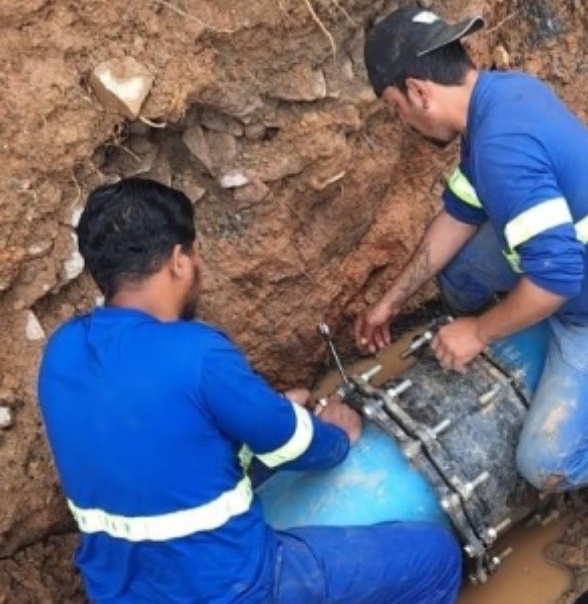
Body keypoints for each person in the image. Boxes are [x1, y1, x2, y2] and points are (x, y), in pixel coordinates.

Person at [37, 179, 462, 603]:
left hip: (121, 591)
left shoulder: (62, 351)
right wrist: (334, 435)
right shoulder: (197, 352)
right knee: (436, 559)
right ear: (178, 260)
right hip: (234, 588)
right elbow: (300, 447)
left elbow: (169, 449)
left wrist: (271, 412)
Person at [355, 6, 588, 531]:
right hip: (581, 254)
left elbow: (557, 279)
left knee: (545, 462)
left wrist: (478, 332)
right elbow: (460, 213)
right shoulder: (499, 98)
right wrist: (391, 299)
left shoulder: (502, 148)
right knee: (458, 274)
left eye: (396, 108)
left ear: (418, 90)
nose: (403, 121)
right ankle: (492, 324)